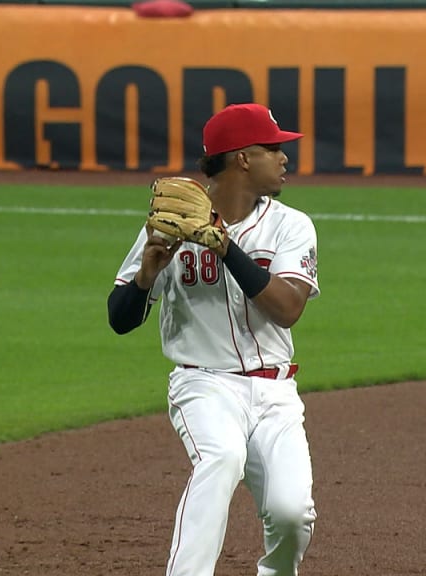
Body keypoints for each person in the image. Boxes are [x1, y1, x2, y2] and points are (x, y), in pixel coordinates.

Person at [107, 102, 320, 576]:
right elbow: (119, 318)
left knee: (291, 514)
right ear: (243, 158)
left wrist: (225, 246)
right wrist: (146, 274)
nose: (285, 157)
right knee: (220, 458)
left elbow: (287, 310)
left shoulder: (291, 225)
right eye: (274, 148)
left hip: (274, 393)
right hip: (204, 385)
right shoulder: (174, 221)